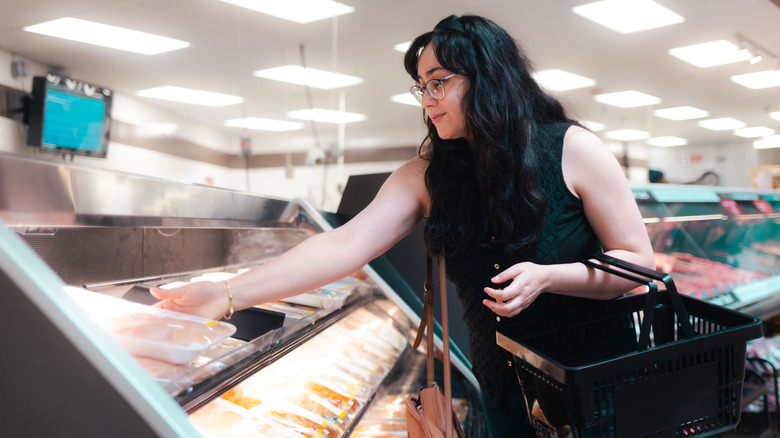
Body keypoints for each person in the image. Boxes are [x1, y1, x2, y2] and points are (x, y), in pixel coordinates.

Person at [152, 14, 654, 437]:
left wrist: (549, 276)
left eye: (439, 82)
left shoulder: (572, 149)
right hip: (506, 395)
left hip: (597, 383)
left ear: (488, 78)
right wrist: (227, 294)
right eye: (421, 86)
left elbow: (639, 263)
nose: (426, 98)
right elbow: (346, 244)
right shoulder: (427, 178)